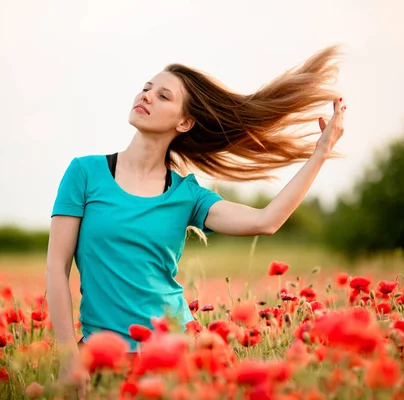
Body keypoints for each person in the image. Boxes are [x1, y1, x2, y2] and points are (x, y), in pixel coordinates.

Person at [46, 44, 346, 397]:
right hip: (101, 357)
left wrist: (321, 153)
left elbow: (267, 220)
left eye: (163, 96)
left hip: (174, 354)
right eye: (146, 88)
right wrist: (69, 357)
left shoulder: (187, 195)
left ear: (184, 122)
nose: (146, 96)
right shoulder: (84, 173)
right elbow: (56, 265)